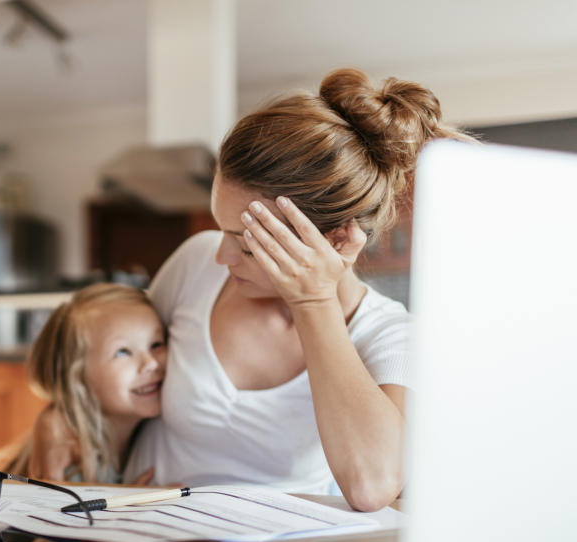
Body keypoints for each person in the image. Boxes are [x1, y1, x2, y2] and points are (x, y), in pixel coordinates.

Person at [32, 68, 472, 511]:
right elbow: (115, 356)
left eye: (245, 244)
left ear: (336, 240)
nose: (221, 256)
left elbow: (372, 486)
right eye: (222, 231)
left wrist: (313, 299)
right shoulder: (198, 262)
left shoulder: (392, 335)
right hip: (140, 531)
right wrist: (58, 415)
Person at [0, 283, 167, 484]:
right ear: (76, 375)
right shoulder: (71, 462)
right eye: (122, 352)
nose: (150, 363)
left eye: (156, 344)